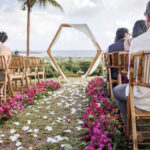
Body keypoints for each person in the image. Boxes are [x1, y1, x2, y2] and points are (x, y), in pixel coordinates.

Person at [113, 0, 150, 125]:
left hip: (142, 99)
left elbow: (131, 77)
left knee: (117, 91)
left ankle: (130, 129)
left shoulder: (136, 42)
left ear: (147, 18)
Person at [0, 32, 11, 102]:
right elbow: (8, 64)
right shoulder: (8, 49)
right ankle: (1, 92)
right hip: (3, 75)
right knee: (5, 73)